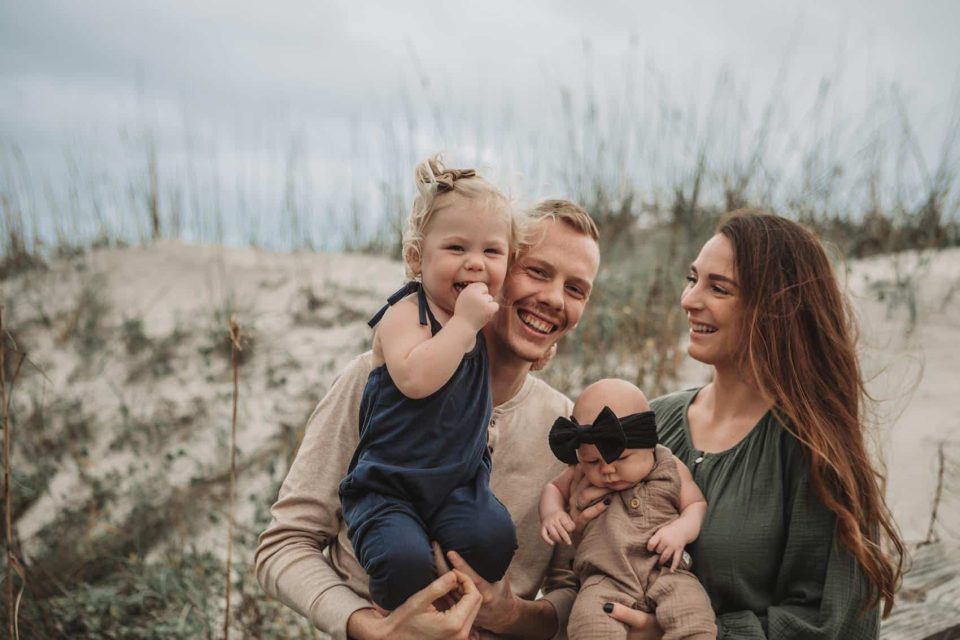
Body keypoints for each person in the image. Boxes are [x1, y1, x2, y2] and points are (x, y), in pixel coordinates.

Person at [255, 198, 603, 640]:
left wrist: (512, 615)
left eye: (576, 289)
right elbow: (284, 546)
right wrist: (372, 628)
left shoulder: (566, 428)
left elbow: (575, 585)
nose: (554, 298)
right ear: (492, 269)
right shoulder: (377, 379)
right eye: (537, 271)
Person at [599, 210, 905, 639]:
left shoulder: (815, 451)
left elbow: (831, 623)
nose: (689, 300)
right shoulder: (652, 421)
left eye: (718, 288)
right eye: (693, 279)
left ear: (775, 309)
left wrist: (684, 634)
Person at [338, 154, 519, 611]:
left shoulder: (476, 322)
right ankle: (390, 609)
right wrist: (463, 326)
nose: (476, 264)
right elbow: (417, 379)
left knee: (495, 539)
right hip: (389, 485)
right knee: (402, 561)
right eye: (457, 249)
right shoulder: (406, 315)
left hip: (458, 485)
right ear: (416, 258)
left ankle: (452, 590)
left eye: (492, 252)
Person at [540, 378, 715, 640]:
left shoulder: (669, 464)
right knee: (588, 623)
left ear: (649, 445)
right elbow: (552, 489)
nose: (606, 469)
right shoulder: (578, 473)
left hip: (666, 572)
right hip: (604, 578)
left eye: (620, 458)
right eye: (592, 461)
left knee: (692, 614)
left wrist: (680, 530)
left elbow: (696, 505)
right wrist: (552, 513)